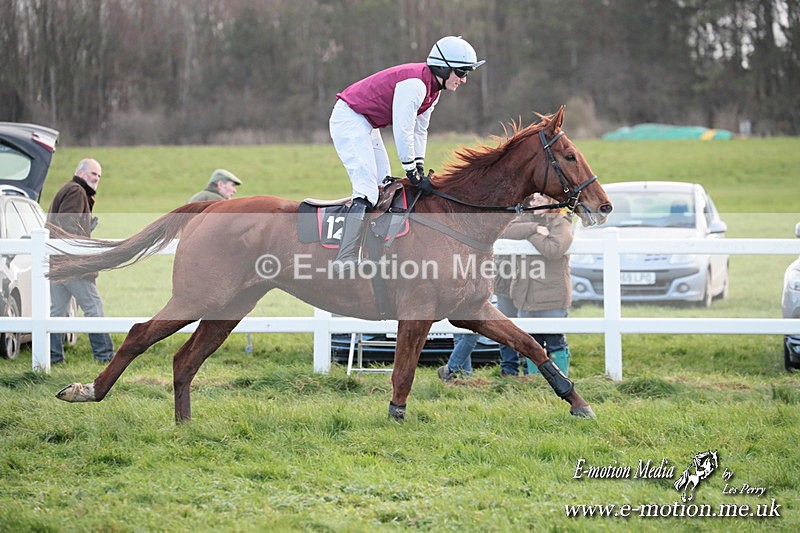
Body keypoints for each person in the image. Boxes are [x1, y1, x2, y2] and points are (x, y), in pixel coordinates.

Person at [329, 35, 485, 272]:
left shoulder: (434, 90)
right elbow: (403, 130)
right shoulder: (416, 85)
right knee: (366, 190)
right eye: (462, 72)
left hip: (366, 124)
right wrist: (410, 170)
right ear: (443, 68)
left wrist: (418, 167)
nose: (464, 80)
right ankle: (345, 256)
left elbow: (420, 130)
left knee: (384, 185)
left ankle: (375, 248)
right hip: (349, 119)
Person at [438, 194, 574, 379]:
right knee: (531, 337)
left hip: (551, 290)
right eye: (533, 200)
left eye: (540, 200)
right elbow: (507, 231)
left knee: (554, 339)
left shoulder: (560, 222)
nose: (535, 203)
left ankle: (560, 377)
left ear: (551, 202)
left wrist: (527, 236)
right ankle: (531, 378)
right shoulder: (526, 218)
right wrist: (534, 230)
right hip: (524, 291)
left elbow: (554, 249)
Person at [47, 158, 114, 364]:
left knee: (57, 312)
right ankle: (105, 357)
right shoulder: (76, 191)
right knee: (94, 306)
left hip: (57, 263)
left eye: (99, 175)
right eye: (94, 173)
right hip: (72, 265)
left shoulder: (71, 190)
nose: (97, 179)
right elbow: (68, 228)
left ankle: (52, 357)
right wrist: (83, 257)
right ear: (81, 172)